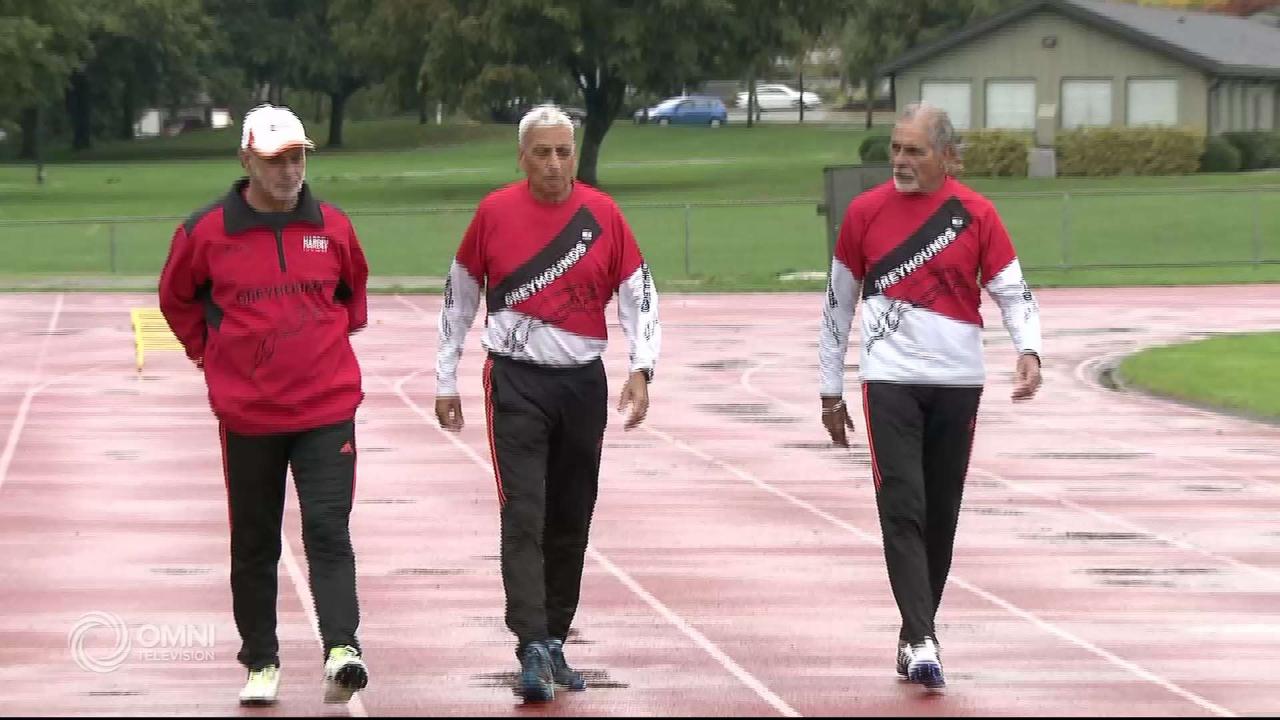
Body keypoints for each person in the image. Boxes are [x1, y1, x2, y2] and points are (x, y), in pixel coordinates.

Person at [434, 105, 661, 703]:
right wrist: (444, 378)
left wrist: (641, 369)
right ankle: (530, 640)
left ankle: (556, 636)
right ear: (522, 157)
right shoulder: (493, 214)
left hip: (582, 384)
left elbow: (639, 294)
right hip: (515, 383)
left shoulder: (604, 215)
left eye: (564, 151)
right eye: (543, 152)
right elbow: (458, 299)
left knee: (571, 516)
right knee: (525, 515)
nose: (555, 164)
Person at [817, 102, 1042, 692]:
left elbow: (1014, 294)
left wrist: (1030, 350)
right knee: (903, 504)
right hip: (888, 380)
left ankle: (916, 628)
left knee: (940, 513)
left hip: (957, 382)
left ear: (948, 157)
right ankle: (922, 639)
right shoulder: (864, 214)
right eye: (896, 148)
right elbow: (838, 305)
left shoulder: (977, 215)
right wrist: (828, 387)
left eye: (914, 150)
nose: (900, 160)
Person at [158, 103, 371, 706]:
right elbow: (177, 300)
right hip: (248, 416)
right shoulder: (204, 233)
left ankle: (342, 649)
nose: (289, 170)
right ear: (247, 159)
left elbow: (352, 292)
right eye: (276, 160)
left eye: (298, 157)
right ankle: (260, 659)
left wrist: (319, 346)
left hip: (327, 408)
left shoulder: (331, 225)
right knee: (255, 540)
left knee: (328, 529)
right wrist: (211, 353)